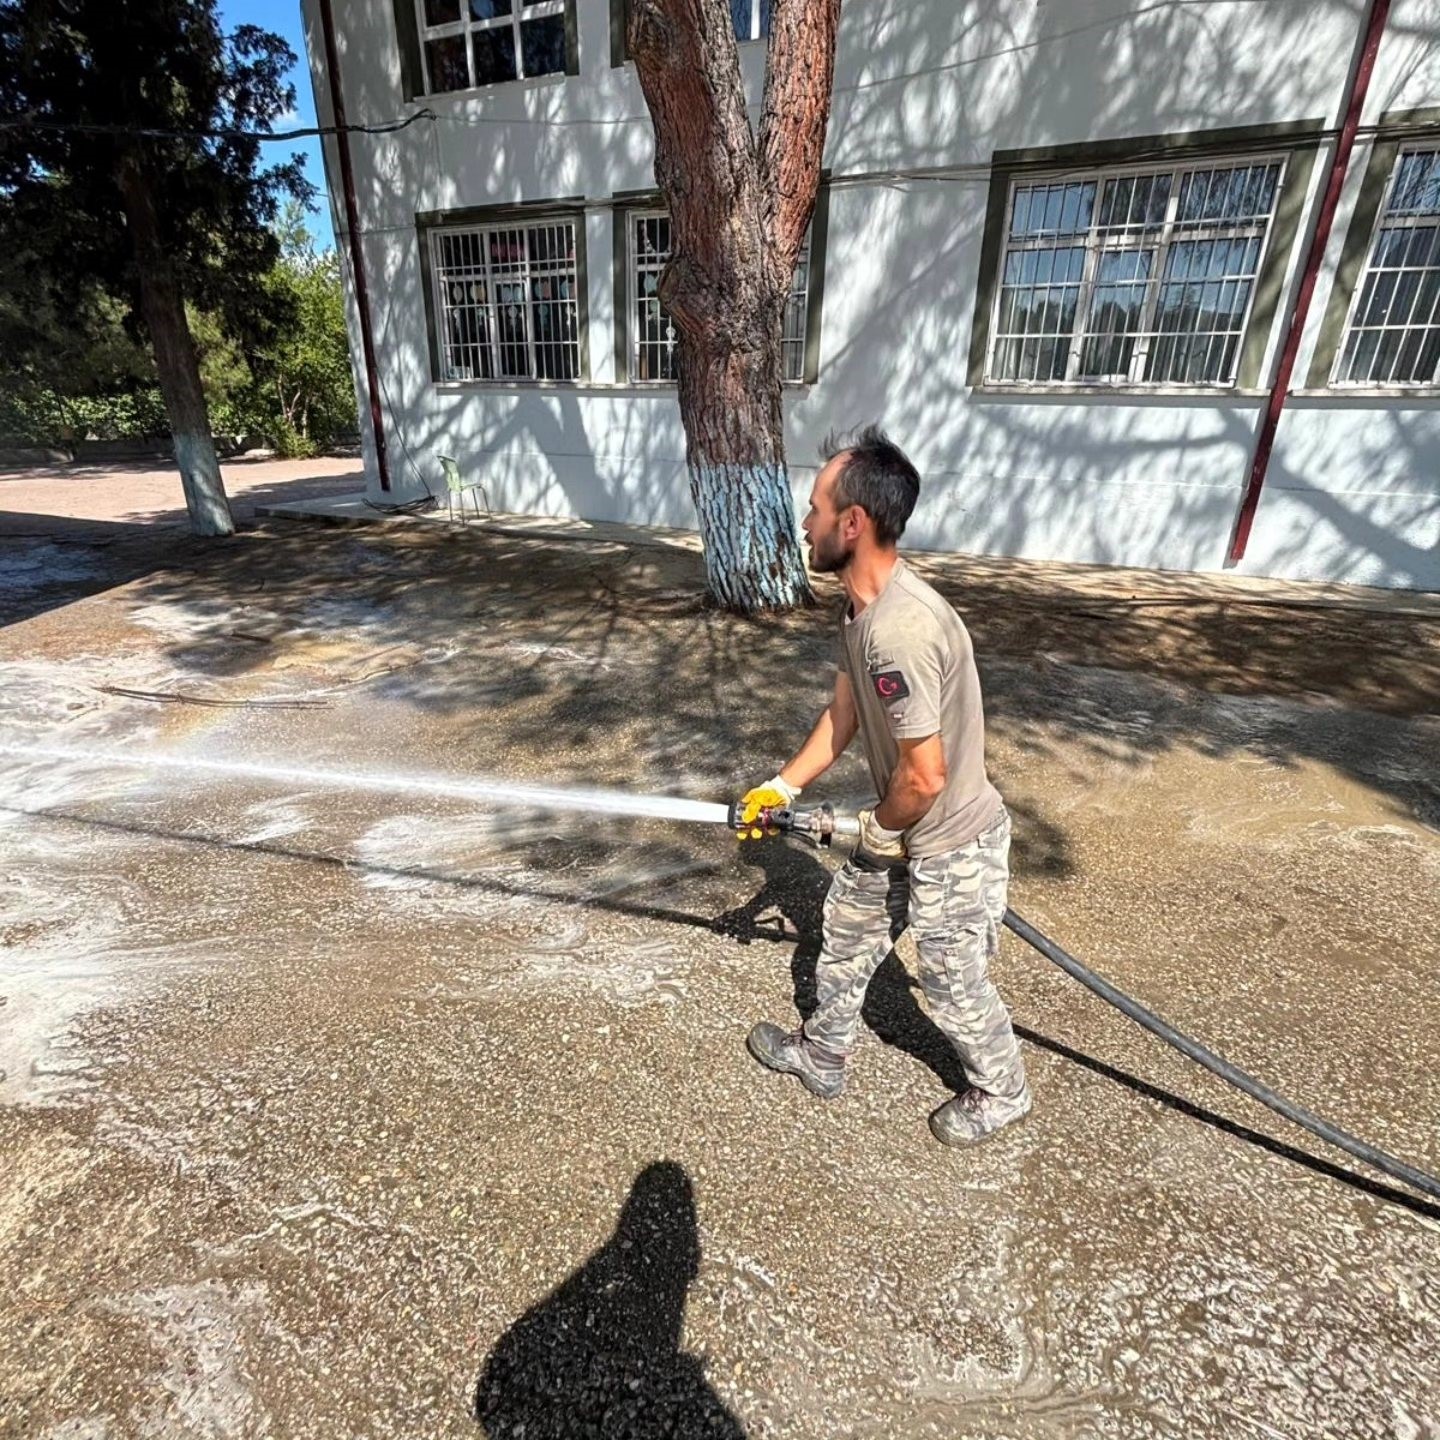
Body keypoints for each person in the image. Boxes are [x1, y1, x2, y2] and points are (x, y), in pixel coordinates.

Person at [737, 425, 1030, 1147]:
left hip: (950, 837)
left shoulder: (902, 629)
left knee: (950, 982)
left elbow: (926, 778)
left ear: (853, 523)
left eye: (813, 509)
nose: (804, 524)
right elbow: (841, 716)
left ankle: (1004, 1091)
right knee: (848, 927)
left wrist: (879, 832)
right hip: (901, 822)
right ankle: (825, 1053)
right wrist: (780, 787)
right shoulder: (860, 612)